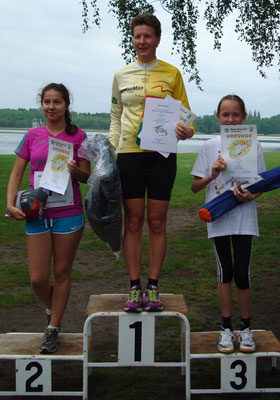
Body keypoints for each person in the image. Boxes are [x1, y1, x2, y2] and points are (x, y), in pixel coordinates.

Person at [109, 14, 194, 312]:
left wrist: (187, 131)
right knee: (132, 221)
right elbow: (116, 118)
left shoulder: (172, 73)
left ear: (158, 39)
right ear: (132, 39)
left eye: (147, 36)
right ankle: (134, 288)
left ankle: (154, 288)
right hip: (130, 155)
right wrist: (109, 148)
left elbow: (186, 117)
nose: (142, 41)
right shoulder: (121, 75)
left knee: (157, 222)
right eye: (137, 36)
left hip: (162, 155)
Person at [6, 83, 90, 353]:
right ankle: (54, 308)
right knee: (37, 278)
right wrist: (10, 202)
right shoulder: (32, 136)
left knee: (62, 272)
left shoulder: (79, 137)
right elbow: (17, 173)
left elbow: (86, 178)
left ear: (67, 105)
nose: (51, 107)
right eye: (47, 102)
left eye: (57, 102)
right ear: (41, 104)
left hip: (69, 213)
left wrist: (75, 170)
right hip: (37, 212)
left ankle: (52, 327)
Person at [190, 94, 266, 353]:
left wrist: (250, 195)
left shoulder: (253, 145)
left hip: (244, 218)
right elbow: (194, 186)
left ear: (244, 117)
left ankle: (245, 329)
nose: (231, 120)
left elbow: (260, 186)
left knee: (243, 274)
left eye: (236, 115)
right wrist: (212, 174)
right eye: (226, 115)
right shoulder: (210, 146)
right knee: (225, 273)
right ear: (218, 118)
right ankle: (225, 328)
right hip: (219, 217)